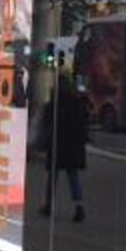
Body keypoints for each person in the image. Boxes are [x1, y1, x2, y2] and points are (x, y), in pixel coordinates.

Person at [37, 72, 89, 222]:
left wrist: (42, 142)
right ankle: (79, 207)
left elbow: (46, 124)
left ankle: (48, 206)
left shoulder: (53, 104)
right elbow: (82, 123)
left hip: (57, 145)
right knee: (73, 177)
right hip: (72, 146)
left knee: (52, 177)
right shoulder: (76, 102)